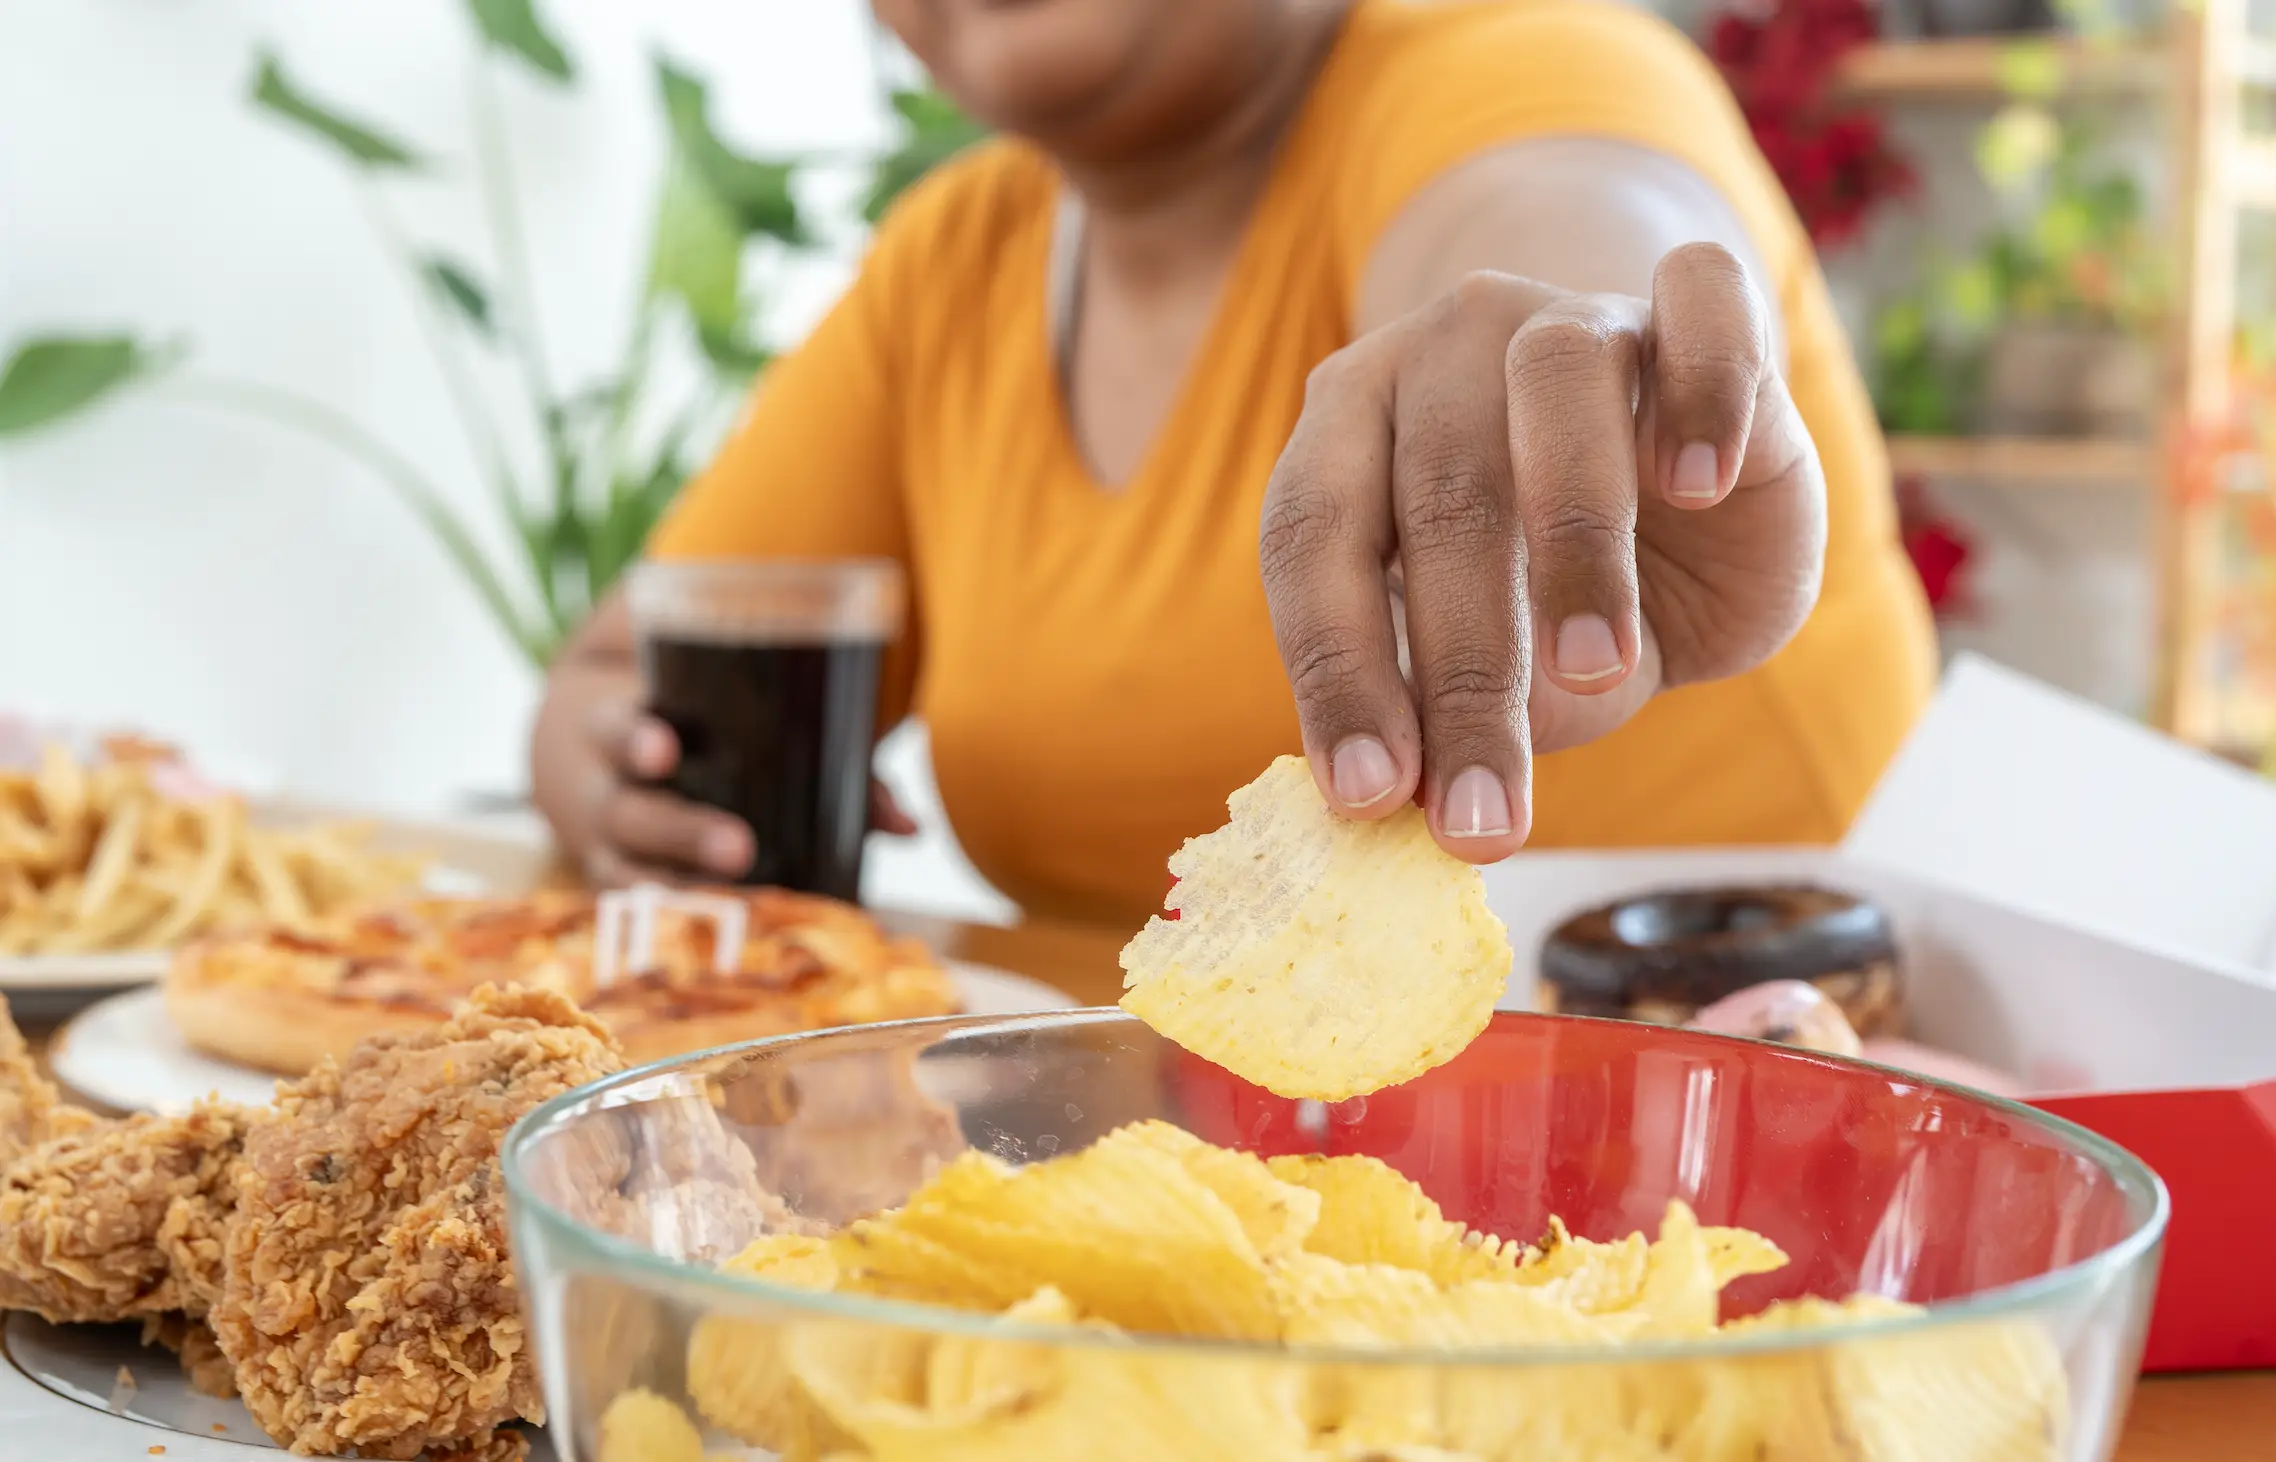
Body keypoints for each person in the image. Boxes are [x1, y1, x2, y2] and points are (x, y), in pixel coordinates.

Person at [531, 0, 1936, 929]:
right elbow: (616, 677)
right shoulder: (950, 269)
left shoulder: (1525, 62)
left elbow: (1566, 243)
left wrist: (1581, 349)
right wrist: (615, 775)